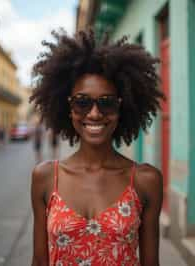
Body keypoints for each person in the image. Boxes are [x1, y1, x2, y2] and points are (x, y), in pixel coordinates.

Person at [30, 28, 165, 266]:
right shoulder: (45, 177)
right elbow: (40, 261)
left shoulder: (146, 180)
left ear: (122, 107)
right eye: (82, 102)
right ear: (68, 108)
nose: (94, 113)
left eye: (107, 102)